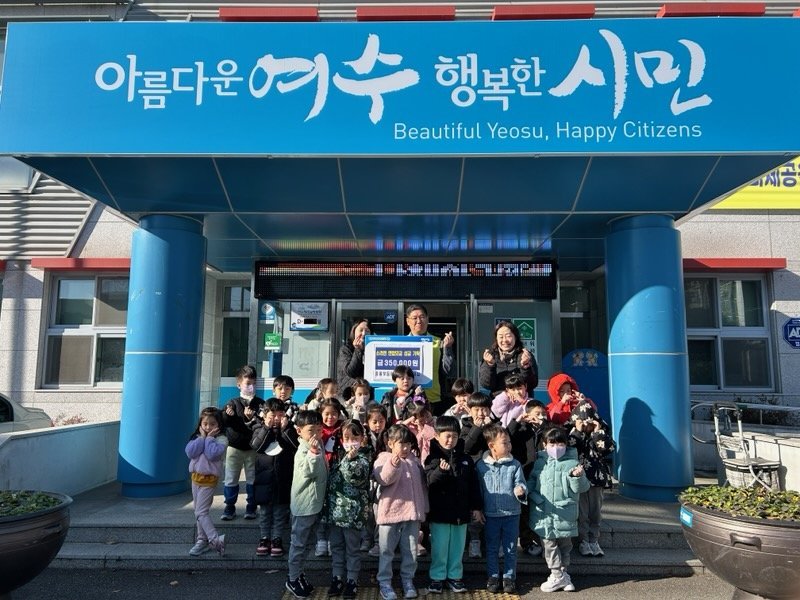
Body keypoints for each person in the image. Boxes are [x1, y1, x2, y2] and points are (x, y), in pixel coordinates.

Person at [527, 427, 590, 593]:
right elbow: (532, 482)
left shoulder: (573, 463)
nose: (556, 447)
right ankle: (558, 575)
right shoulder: (540, 462)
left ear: (566, 444)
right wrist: (527, 492)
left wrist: (577, 477)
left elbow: (583, 488)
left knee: (565, 545)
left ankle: (561, 575)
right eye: (552, 444)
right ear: (545, 444)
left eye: (560, 444)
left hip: (564, 513)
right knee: (549, 545)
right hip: (544, 513)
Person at [424, 415, 482, 594]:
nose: (451, 440)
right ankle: (437, 577)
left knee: (457, 547)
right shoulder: (432, 459)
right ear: (437, 436)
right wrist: (440, 472)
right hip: (439, 513)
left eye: (455, 436)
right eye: (447, 436)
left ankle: (455, 576)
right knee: (440, 547)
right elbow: (429, 483)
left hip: (460, 513)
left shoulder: (466, 459)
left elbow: (473, 486)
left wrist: (476, 507)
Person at [373, 424, 429, 600]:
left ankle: (408, 580)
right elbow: (384, 479)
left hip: (412, 514)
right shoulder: (383, 459)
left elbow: (422, 487)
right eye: (401, 444)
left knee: (411, 551)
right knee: (386, 550)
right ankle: (384, 582)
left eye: (408, 444)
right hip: (390, 513)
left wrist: (423, 508)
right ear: (390, 443)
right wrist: (393, 464)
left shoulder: (415, 461)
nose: (405, 448)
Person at [474, 424, 527, 595]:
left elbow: (521, 482)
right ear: (492, 446)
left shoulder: (515, 464)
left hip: (512, 513)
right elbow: (478, 490)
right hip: (491, 514)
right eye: (504, 443)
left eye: (509, 442)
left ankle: (509, 577)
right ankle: (493, 576)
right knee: (491, 547)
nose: (509, 446)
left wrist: (521, 490)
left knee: (510, 548)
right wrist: (478, 509)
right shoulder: (481, 466)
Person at [325, 419, 373, 599]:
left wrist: (350, 460)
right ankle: (337, 578)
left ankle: (352, 579)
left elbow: (354, 477)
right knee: (336, 547)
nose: (351, 442)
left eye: (355, 437)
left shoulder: (364, 457)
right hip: (335, 511)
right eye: (347, 438)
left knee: (352, 549)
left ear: (362, 438)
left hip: (353, 513)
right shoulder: (337, 455)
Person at [285, 410, 328, 599]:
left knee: (307, 542)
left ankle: (299, 573)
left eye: (319, 430)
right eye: (311, 430)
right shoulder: (304, 450)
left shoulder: (316, 445)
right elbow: (308, 471)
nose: (316, 435)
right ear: (299, 431)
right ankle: (292, 578)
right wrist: (313, 453)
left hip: (314, 504)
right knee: (299, 544)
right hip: (304, 506)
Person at [250, 398, 298, 558]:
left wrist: (285, 430)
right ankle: (264, 538)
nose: (276, 418)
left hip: (283, 478)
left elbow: (295, 446)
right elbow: (256, 445)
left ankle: (277, 539)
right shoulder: (258, 428)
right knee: (264, 512)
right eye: (272, 415)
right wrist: (266, 427)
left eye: (280, 415)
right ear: (264, 415)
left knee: (280, 512)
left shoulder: (289, 429)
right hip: (264, 478)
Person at [568, 399, 616, 558]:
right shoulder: (571, 431)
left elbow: (608, 449)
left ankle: (594, 540)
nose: (586, 424)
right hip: (580, 478)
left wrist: (597, 432)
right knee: (581, 513)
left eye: (590, 420)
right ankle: (583, 541)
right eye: (583, 420)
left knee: (595, 513)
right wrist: (578, 430)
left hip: (597, 478)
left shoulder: (601, 431)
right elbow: (570, 448)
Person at [219, 364, 263, 521]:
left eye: (254, 383)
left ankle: (251, 507)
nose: (251, 387)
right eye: (247, 383)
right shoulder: (232, 403)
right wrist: (227, 415)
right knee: (231, 478)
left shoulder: (260, 403)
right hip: (234, 448)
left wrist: (251, 418)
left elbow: (262, 424)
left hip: (252, 448)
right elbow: (223, 422)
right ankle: (229, 507)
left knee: (252, 478)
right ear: (239, 385)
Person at [507, 400, 550, 558]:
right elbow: (507, 436)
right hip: (525, 473)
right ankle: (527, 541)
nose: (541, 416)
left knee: (540, 508)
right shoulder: (522, 429)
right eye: (537, 413)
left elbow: (556, 437)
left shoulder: (547, 429)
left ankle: (541, 540)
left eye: (543, 413)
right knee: (525, 510)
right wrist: (517, 421)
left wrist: (544, 426)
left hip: (543, 475)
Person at [459, 391, 499, 559]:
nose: (481, 413)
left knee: (491, 506)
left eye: (484, 409)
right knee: (475, 507)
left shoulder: (495, 425)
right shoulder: (466, 426)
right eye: (477, 409)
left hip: (493, 474)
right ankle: (474, 540)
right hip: (474, 474)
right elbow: (465, 447)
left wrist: (491, 428)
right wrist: (476, 428)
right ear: (470, 410)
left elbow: (501, 445)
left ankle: (493, 541)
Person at [185, 407, 228, 557]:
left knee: (201, 512)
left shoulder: (221, 439)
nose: (208, 427)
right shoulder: (197, 437)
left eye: (212, 424)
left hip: (209, 480)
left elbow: (212, 454)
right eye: (205, 424)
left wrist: (209, 438)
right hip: (195, 478)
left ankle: (215, 540)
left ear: (219, 425)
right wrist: (202, 438)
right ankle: (201, 540)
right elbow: (190, 452)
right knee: (198, 512)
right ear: (200, 424)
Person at [405, 304, 455, 415]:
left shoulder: (438, 342)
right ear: (408, 321)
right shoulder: (400, 344)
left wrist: (447, 348)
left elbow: (448, 371)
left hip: (434, 399)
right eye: (414, 318)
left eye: (422, 317)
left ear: (427, 319)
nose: (419, 321)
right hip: (408, 399)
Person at [315, 398, 345, 557]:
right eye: (326, 414)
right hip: (321, 473)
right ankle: (321, 540)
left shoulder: (343, 429)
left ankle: (332, 541)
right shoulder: (317, 430)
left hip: (338, 473)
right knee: (321, 507)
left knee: (334, 507)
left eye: (334, 414)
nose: (330, 417)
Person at [479, 321, 538, 397]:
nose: (504, 340)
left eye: (508, 336)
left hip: (521, 401)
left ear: (515, 337)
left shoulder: (525, 355)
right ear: (496, 339)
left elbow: (532, 384)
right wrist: (490, 365)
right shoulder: (491, 356)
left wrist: (525, 367)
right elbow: (486, 385)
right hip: (498, 401)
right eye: (501, 337)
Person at [364, 402, 389, 556]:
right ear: (368, 422)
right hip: (367, 479)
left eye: (381, 421)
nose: (378, 425)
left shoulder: (389, 436)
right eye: (374, 421)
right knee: (367, 511)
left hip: (382, 478)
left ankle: (378, 541)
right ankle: (366, 538)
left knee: (379, 510)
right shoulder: (364, 436)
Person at [336, 318, 371, 398]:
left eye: (367, 331)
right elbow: (351, 372)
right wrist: (358, 350)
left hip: (366, 395)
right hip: (349, 394)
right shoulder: (345, 349)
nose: (364, 333)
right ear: (354, 332)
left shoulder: (371, 349)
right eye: (361, 330)